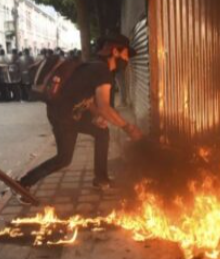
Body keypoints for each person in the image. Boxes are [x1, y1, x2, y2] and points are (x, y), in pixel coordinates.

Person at [18, 34, 144, 199]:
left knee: (101, 131)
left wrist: (95, 116)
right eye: (126, 54)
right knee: (63, 158)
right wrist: (129, 128)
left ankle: (101, 178)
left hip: (67, 112)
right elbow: (105, 108)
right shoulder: (102, 70)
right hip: (64, 116)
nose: (128, 59)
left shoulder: (96, 67)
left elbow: (89, 100)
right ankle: (23, 184)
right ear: (115, 51)